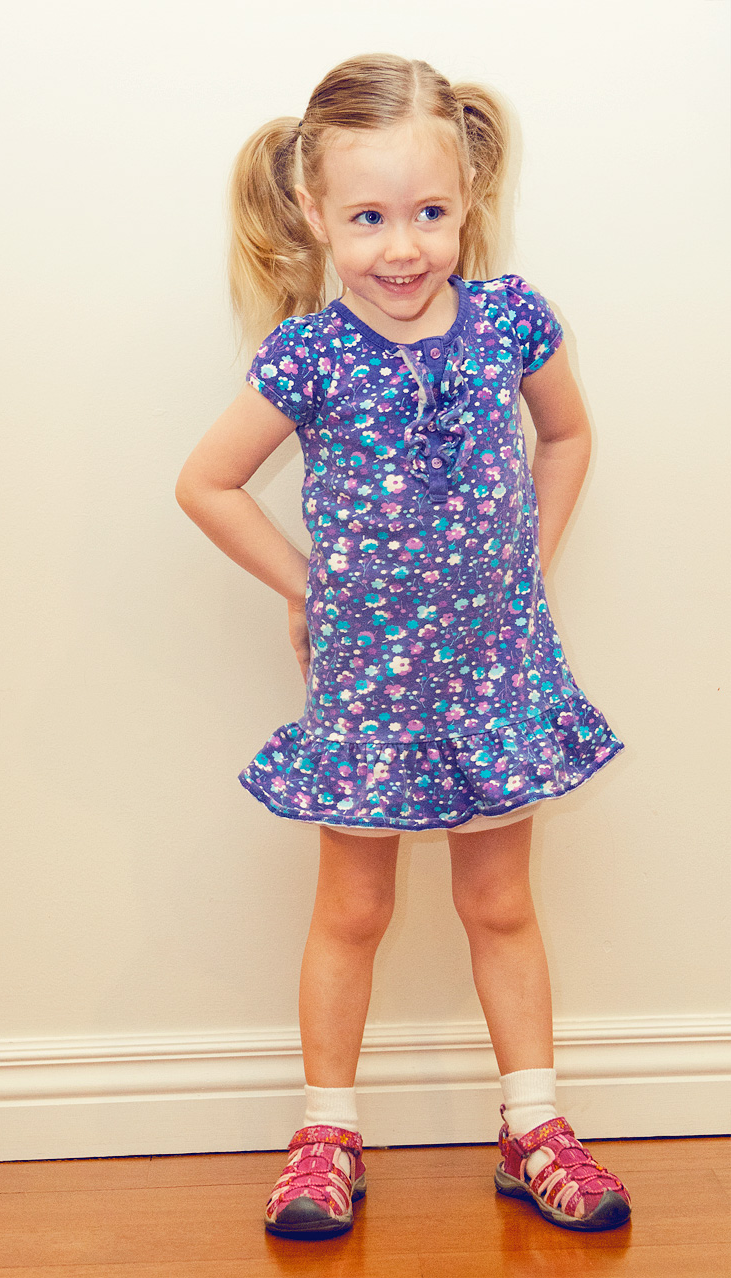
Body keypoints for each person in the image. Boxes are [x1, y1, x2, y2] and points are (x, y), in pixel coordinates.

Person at [175, 52, 631, 1239]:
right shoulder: (311, 356)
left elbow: (568, 438)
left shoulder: (512, 323)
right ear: (312, 211)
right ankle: (327, 1132)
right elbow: (207, 483)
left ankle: (532, 1124)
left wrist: (529, 559)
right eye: (369, 218)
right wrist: (311, 589)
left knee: (501, 903)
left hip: (495, 678)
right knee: (352, 911)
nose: (403, 247)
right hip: (369, 694)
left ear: (470, 196)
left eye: (429, 211)